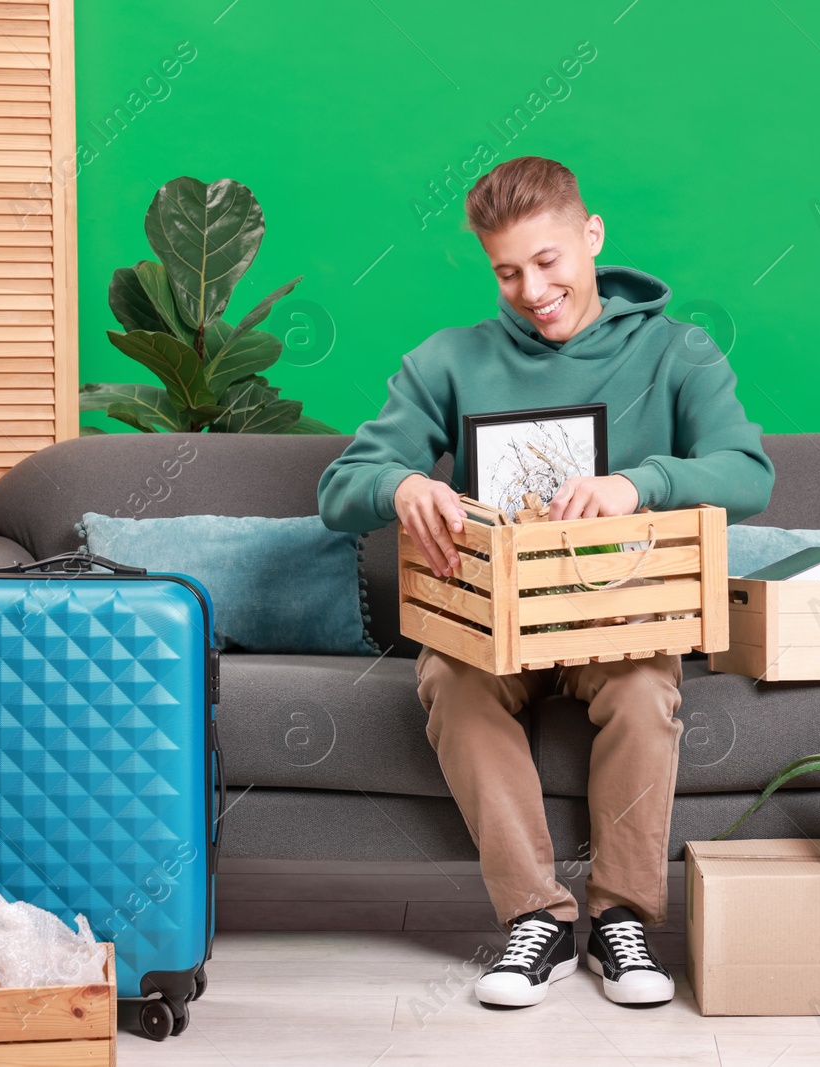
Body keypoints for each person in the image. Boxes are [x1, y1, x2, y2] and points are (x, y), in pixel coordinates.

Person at [318, 156, 773, 1009]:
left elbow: (747, 473)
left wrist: (641, 483)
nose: (532, 289)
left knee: (646, 685)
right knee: (449, 676)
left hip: (617, 620)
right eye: (508, 270)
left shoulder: (679, 349)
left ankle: (622, 919)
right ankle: (538, 918)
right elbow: (341, 489)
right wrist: (402, 485)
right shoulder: (448, 360)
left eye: (550, 261)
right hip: (494, 625)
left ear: (591, 237)